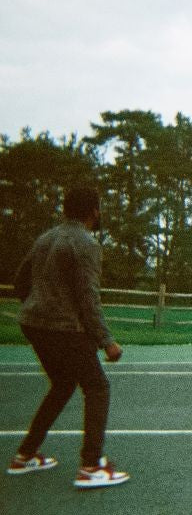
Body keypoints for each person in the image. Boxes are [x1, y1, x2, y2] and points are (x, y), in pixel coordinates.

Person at [7, 186, 130, 488]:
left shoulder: (45, 238)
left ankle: (25, 455)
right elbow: (88, 299)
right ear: (93, 212)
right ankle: (91, 465)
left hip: (33, 324)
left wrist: (39, 307)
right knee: (97, 387)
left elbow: (20, 282)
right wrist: (107, 341)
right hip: (64, 328)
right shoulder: (85, 243)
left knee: (63, 385)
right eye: (99, 208)